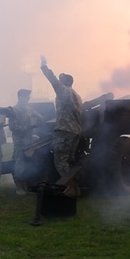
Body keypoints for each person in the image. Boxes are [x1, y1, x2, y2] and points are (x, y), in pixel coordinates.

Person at [40, 57, 83, 195]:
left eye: (62, 79)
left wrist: (44, 66)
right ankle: (75, 187)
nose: (60, 80)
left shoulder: (63, 90)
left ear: (66, 82)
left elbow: (52, 79)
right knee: (69, 161)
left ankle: (72, 188)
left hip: (64, 130)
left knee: (60, 161)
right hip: (75, 131)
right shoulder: (77, 95)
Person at [4, 89, 43, 195]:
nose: (28, 99)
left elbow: (39, 116)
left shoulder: (28, 109)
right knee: (19, 165)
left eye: (28, 97)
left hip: (29, 142)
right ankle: (19, 187)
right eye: (26, 97)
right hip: (20, 142)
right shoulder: (14, 110)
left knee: (27, 165)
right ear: (20, 97)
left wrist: (39, 119)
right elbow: (12, 127)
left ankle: (25, 185)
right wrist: (28, 127)